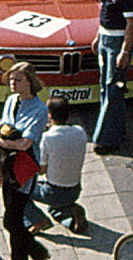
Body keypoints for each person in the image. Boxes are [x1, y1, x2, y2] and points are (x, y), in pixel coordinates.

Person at [0, 63, 49, 260]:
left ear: (30, 82)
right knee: (12, 219)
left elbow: (25, 144)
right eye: (11, 79)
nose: (12, 83)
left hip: (24, 171)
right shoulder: (10, 101)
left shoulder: (40, 110)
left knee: (11, 221)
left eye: (17, 80)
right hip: (7, 167)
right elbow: (2, 133)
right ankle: (34, 252)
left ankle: (29, 254)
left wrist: (1, 141)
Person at [91, 0, 133, 153]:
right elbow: (105, 14)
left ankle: (105, 138)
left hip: (117, 43)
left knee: (112, 88)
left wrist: (125, 52)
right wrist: (97, 37)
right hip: (105, 38)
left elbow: (130, 24)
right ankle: (116, 130)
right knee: (106, 86)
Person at [23, 97, 89, 235]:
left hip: (54, 192)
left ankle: (38, 220)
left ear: (50, 115)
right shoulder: (80, 131)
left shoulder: (47, 138)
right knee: (55, 210)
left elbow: (41, 170)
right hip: (75, 189)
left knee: (19, 190)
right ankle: (71, 217)